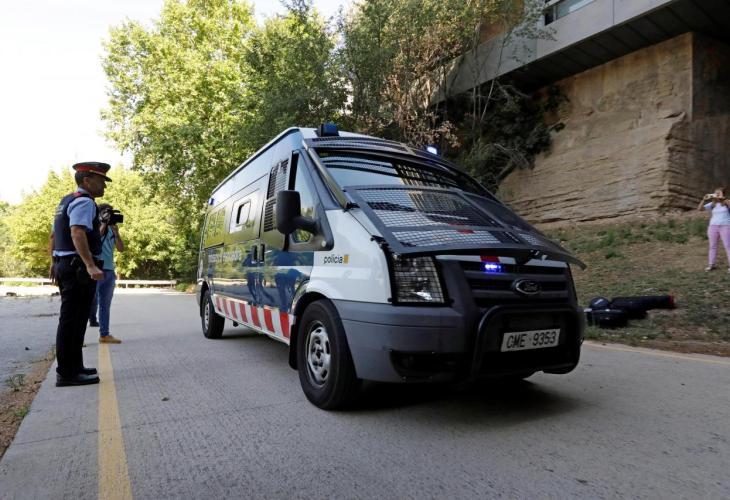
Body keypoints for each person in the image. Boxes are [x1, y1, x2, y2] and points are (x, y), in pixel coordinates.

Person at [51, 161, 111, 386]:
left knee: (74, 320)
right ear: (87, 180)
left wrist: (54, 261)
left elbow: (56, 235)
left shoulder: (67, 200)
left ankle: (74, 367)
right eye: (101, 180)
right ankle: (67, 373)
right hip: (77, 267)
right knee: (73, 320)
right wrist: (90, 265)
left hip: (66, 263)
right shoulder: (85, 202)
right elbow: (77, 232)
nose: (104, 185)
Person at [93, 203, 124, 344]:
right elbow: (96, 239)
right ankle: (77, 337)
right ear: (100, 214)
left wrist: (116, 233)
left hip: (109, 271)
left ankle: (104, 334)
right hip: (96, 269)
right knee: (87, 304)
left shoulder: (112, 229)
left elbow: (121, 249)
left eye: (111, 213)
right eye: (107, 213)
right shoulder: (93, 226)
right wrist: (104, 224)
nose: (110, 215)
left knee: (105, 305)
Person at [698, 187, 730, 272]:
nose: (716, 194)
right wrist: (703, 200)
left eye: (719, 193)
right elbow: (700, 209)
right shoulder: (712, 204)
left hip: (725, 226)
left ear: (723, 194)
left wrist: (723, 199)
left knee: (728, 246)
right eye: (715, 193)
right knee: (712, 246)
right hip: (713, 226)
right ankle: (711, 265)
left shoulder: (727, 202)